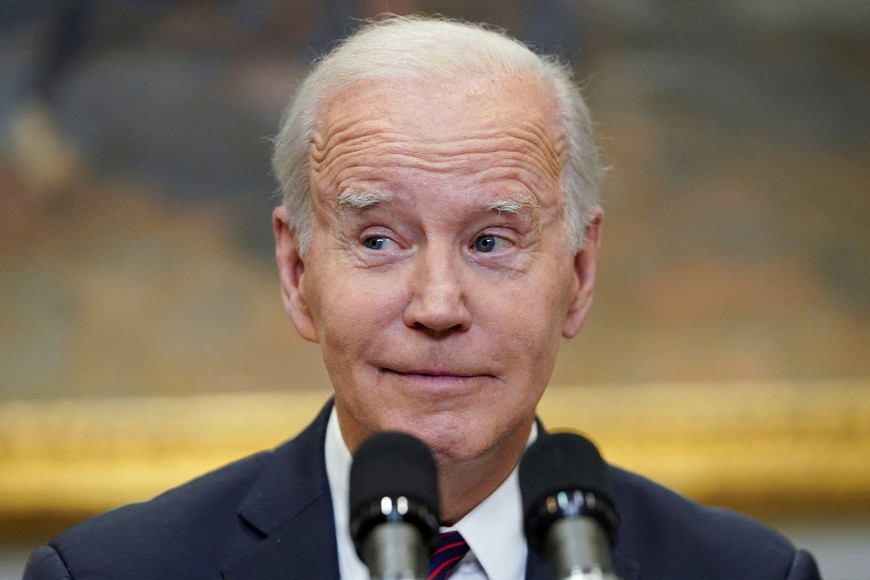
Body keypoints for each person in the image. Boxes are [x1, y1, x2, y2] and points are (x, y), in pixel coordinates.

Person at [23, 15, 820, 580]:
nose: (438, 306)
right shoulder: (110, 573)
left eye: (491, 242)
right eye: (379, 241)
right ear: (297, 273)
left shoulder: (746, 573)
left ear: (579, 275)